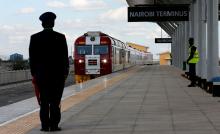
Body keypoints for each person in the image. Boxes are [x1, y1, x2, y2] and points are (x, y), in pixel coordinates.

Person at [29, 12, 69, 131]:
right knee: (55, 101)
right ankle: (54, 125)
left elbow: (32, 59)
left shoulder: (34, 38)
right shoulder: (61, 37)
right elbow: (64, 58)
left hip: (41, 76)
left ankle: (45, 126)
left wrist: (34, 74)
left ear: (42, 24)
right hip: (58, 76)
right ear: (53, 23)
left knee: (44, 102)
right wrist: (65, 73)